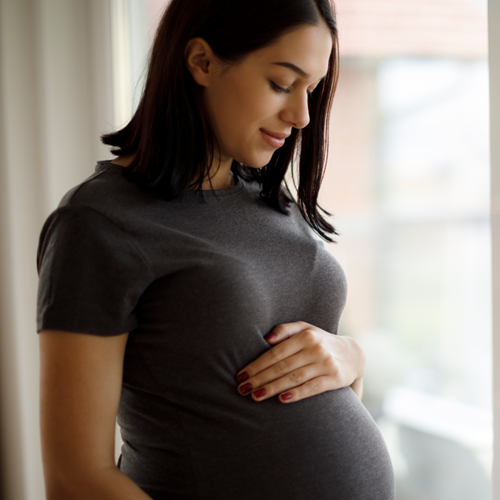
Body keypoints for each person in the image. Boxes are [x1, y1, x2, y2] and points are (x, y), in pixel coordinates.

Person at [36, 0, 395, 499]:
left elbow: (306, 389)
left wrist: (350, 359)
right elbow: (76, 478)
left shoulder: (269, 199)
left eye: (310, 90)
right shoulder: (99, 223)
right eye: (281, 84)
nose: (301, 115)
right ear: (202, 61)